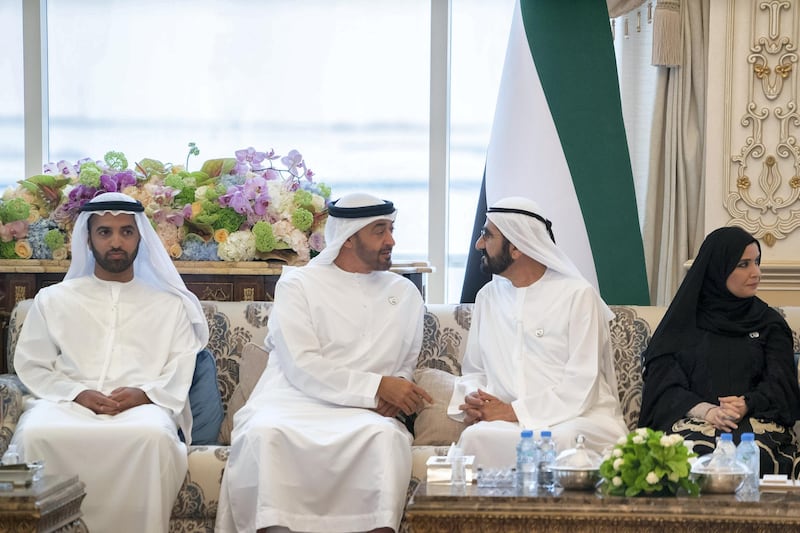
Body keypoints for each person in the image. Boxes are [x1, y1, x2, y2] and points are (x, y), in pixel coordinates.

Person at [215, 192, 432, 533]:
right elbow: (301, 365)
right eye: (379, 231)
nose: (391, 240)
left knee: (385, 439)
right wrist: (377, 388)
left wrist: (392, 395)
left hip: (365, 413)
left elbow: (404, 362)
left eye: (391, 229)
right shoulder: (298, 284)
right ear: (348, 238)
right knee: (265, 434)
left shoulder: (404, 293)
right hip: (292, 403)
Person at [11, 192, 209, 533]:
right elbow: (32, 363)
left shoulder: (169, 305)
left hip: (142, 407)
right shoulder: (54, 300)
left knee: (152, 437)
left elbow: (180, 364)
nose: (116, 241)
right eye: (105, 232)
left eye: (126, 232)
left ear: (139, 238)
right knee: (34, 433)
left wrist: (144, 393)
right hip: (65, 403)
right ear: (88, 239)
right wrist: (77, 392)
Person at [447, 196, 628, 467]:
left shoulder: (578, 295)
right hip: (507, 420)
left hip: (578, 418)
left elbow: (582, 382)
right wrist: (473, 398)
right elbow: (475, 370)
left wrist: (513, 412)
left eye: (487, 236)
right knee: (475, 439)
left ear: (517, 247)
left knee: (562, 442)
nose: (479, 244)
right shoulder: (488, 297)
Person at [638, 226, 800, 475]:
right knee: (695, 459)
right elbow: (663, 385)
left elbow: (782, 385)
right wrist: (708, 410)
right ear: (717, 268)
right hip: (694, 423)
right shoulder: (683, 323)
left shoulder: (770, 324)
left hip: (758, 423)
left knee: (755, 459)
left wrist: (747, 403)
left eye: (757, 262)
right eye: (743, 264)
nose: (756, 273)